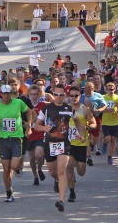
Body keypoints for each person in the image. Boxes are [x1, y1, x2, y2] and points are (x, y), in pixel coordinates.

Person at [35, 84, 85, 212]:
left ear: (64, 95)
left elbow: (78, 121)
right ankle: (58, 181)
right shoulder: (46, 109)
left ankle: (61, 200)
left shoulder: (68, 109)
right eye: (56, 94)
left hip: (64, 143)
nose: (58, 97)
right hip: (49, 143)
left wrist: (80, 134)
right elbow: (36, 126)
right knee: (53, 172)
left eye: (61, 95)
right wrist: (44, 128)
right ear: (53, 93)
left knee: (62, 170)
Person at [0, 85, 32, 202]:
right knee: (6, 168)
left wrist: (29, 126)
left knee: (13, 166)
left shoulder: (18, 102)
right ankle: (9, 192)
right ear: (1, 94)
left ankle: (18, 167)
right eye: (4, 93)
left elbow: (29, 111)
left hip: (16, 138)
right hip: (3, 139)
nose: (7, 95)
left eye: (9, 93)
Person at [67, 86, 96, 202]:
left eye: (76, 96)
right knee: (68, 165)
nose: (74, 98)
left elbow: (94, 124)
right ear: (68, 96)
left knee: (81, 172)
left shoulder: (85, 109)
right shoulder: (65, 109)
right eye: (72, 95)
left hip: (81, 143)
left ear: (80, 97)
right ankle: (72, 192)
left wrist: (87, 127)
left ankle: (74, 170)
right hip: (68, 143)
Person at [81, 81, 106, 166]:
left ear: (92, 89)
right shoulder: (81, 96)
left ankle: (92, 144)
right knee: (86, 137)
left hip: (95, 117)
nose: (86, 90)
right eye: (85, 88)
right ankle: (88, 157)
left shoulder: (98, 96)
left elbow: (104, 105)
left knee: (95, 137)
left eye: (88, 88)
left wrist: (99, 110)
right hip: (84, 118)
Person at [27, 85, 46, 185]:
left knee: (39, 155)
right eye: (32, 94)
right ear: (29, 94)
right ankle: (35, 176)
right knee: (31, 159)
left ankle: (39, 169)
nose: (34, 96)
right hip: (30, 135)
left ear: (39, 94)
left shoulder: (43, 105)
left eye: (35, 94)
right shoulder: (26, 106)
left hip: (40, 134)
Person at [101, 82, 118, 164]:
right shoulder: (103, 97)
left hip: (115, 122)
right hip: (106, 122)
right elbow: (99, 109)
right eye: (109, 89)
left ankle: (110, 157)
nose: (111, 91)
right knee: (108, 138)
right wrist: (106, 110)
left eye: (112, 89)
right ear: (106, 90)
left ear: (115, 89)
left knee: (114, 140)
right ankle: (105, 142)